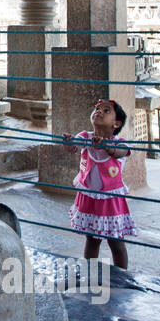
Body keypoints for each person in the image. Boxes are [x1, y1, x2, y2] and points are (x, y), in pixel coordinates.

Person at [61, 98, 133, 269]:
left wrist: (108, 148)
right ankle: (89, 271)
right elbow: (74, 146)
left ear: (116, 123)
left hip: (110, 201)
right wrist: (69, 143)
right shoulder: (86, 137)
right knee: (91, 240)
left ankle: (122, 276)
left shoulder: (119, 143)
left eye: (106, 110)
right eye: (97, 109)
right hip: (89, 197)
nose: (99, 111)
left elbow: (121, 152)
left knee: (116, 242)